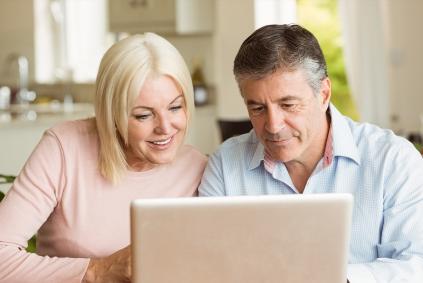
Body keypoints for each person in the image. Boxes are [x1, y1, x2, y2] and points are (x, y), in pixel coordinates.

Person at [199, 24, 423, 282]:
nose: (273, 125)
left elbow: (415, 264)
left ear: (324, 94)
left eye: (288, 105)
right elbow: (208, 266)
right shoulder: (224, 166)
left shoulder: (392, 160)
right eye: (258, 109)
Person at [0, 33, 207, 282]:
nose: (165, 127)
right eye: (143, 115)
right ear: (113, 116)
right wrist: (97, 271)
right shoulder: (64, 149)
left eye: (175, 107)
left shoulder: (198, 169)